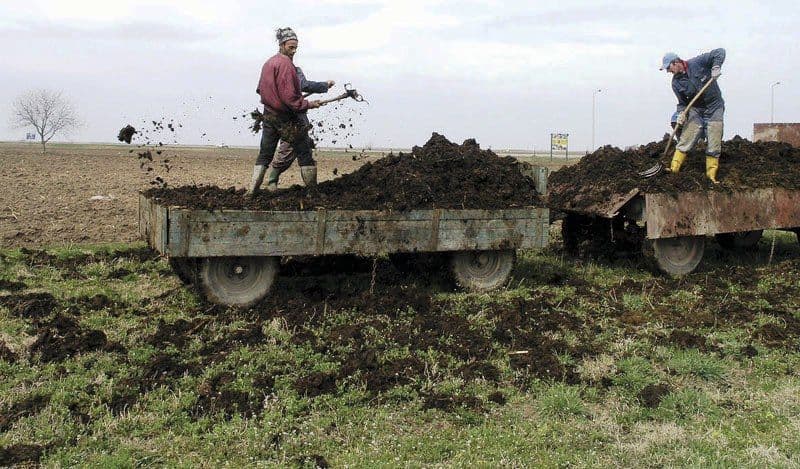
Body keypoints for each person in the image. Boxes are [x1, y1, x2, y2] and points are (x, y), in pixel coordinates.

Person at [249, 27, 335, 194]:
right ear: (282, 45)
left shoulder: (268, 63)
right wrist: (309, 104)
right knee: (304, 152)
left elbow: (260, 89)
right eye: (291, 47)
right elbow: (291, 98)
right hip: (287, 118)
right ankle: (314, 193)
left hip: (268, 116)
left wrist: (275, 99)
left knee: (265, 154)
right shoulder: (288, 66)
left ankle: (252, 191)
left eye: (296, 47)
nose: (294, 51)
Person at [661, 48, 725, 183]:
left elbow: (720, 52)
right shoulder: (676, 83)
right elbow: (683, 103)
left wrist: (716, 67)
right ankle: (673, 169)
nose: (668, 71)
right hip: (696, 109)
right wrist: (681, 114)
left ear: (675, 62)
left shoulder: (697, 63)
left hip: (714, 107)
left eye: (669, 68)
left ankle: (711, 177)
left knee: (714, 142)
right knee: (686, 138)